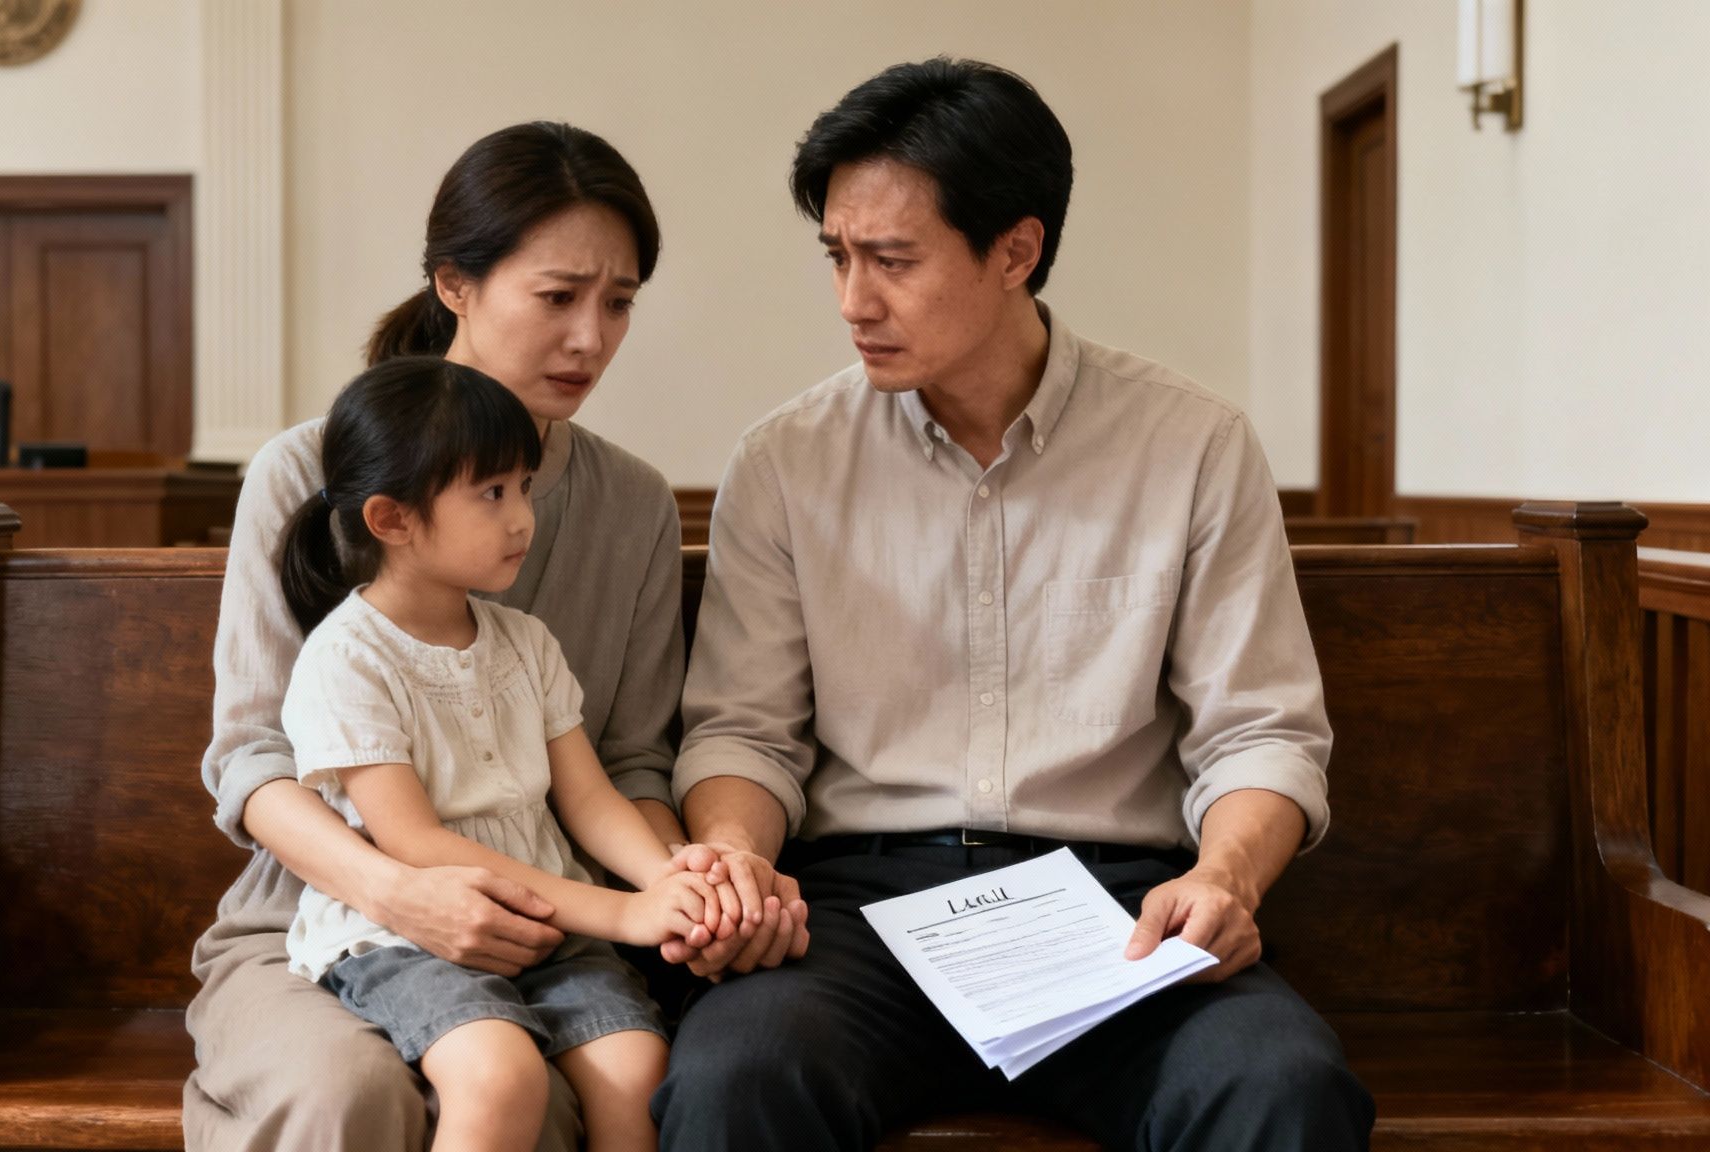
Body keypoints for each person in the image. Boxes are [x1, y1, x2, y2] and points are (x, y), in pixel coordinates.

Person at [652, 58, 1377, 1150]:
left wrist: (1221, 879)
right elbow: (743, 731)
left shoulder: (1189, 446)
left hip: (1109, 908)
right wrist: (741, 858)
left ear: (1015, 251)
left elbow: (1260, 734)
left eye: (891, 260)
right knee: (733, 1074)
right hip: (860, 912)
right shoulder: (788, 461)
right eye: (837, 257)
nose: (853, 301)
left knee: (1278, 1082)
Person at [184, 122, 787, 1151]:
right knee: (350, 1099)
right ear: (455, 284)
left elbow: (628, 762)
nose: (590, 339)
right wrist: (398, 889)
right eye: (557, 298)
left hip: (555, 928)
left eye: (619, 303)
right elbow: (252, 763)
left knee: (605, 1083)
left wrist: (683, 884)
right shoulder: (308, 470)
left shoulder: (631, 502)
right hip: (316, 922)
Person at [275, 357, 733, 1152]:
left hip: (547, 934)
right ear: (392, 519)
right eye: (492, 494)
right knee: (499, 1076)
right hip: (410, 940)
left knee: (638, 1069)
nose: (523, 517)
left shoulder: (526, 644)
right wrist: (623, 913)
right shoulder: (347, 658)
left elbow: (589, 801)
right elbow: (413, 843)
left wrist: (668, 879)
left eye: (523, 487)